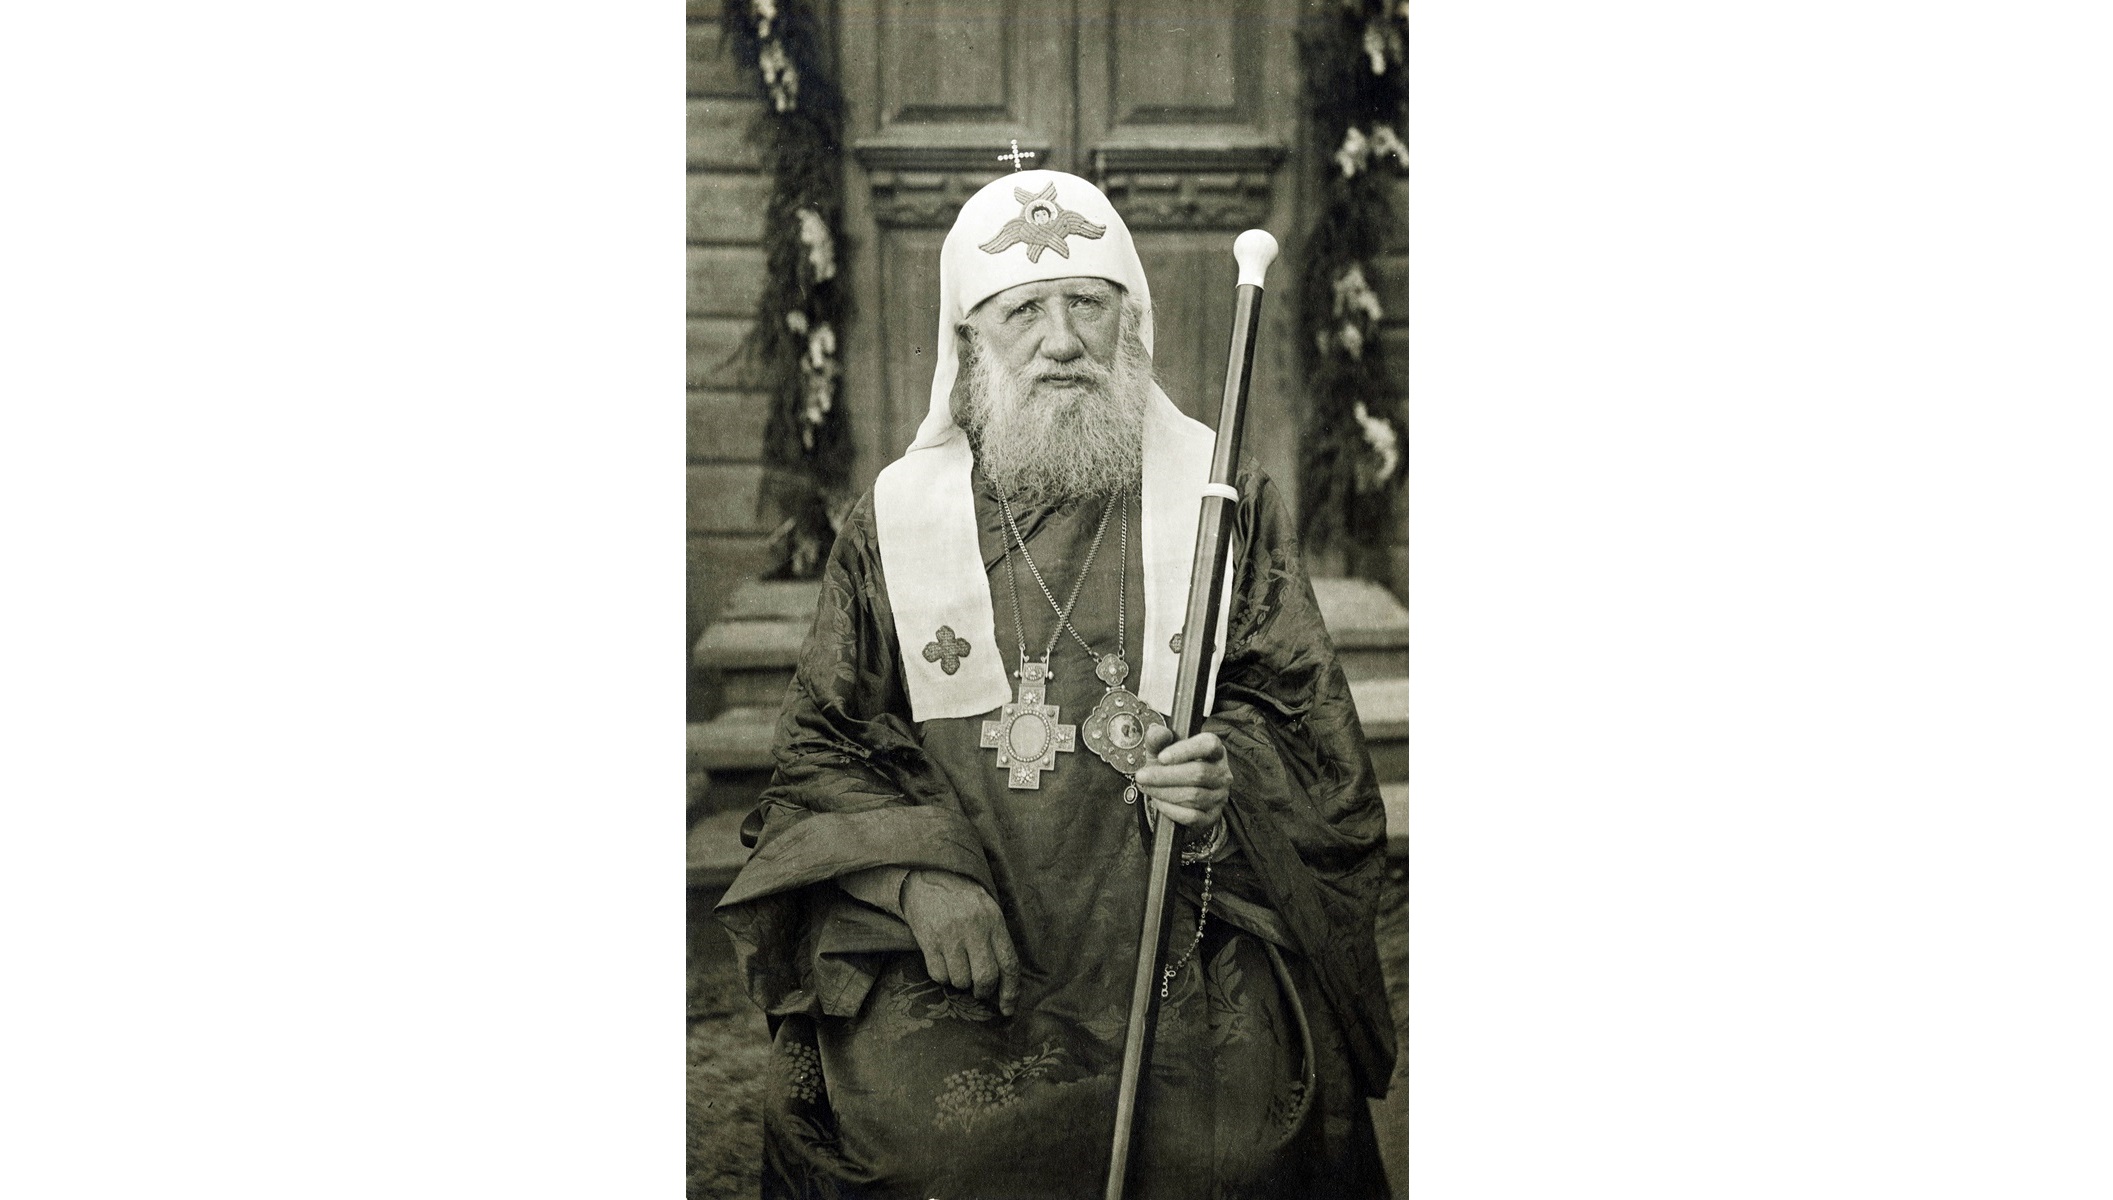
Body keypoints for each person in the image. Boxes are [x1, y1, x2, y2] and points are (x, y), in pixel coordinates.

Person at [717, 169, 1395, 1199]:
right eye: (1023, 310)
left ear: (1132, 324)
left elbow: (1298, 720)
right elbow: (825, 745)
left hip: (1179, 922)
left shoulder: (1221, 499)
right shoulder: (894, 521)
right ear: (969, 344)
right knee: (932, 1155)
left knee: (1230, 1150)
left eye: (1087, 303)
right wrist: (914, 884)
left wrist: (1225, 779)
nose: (1063, 340)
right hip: (964, 946)